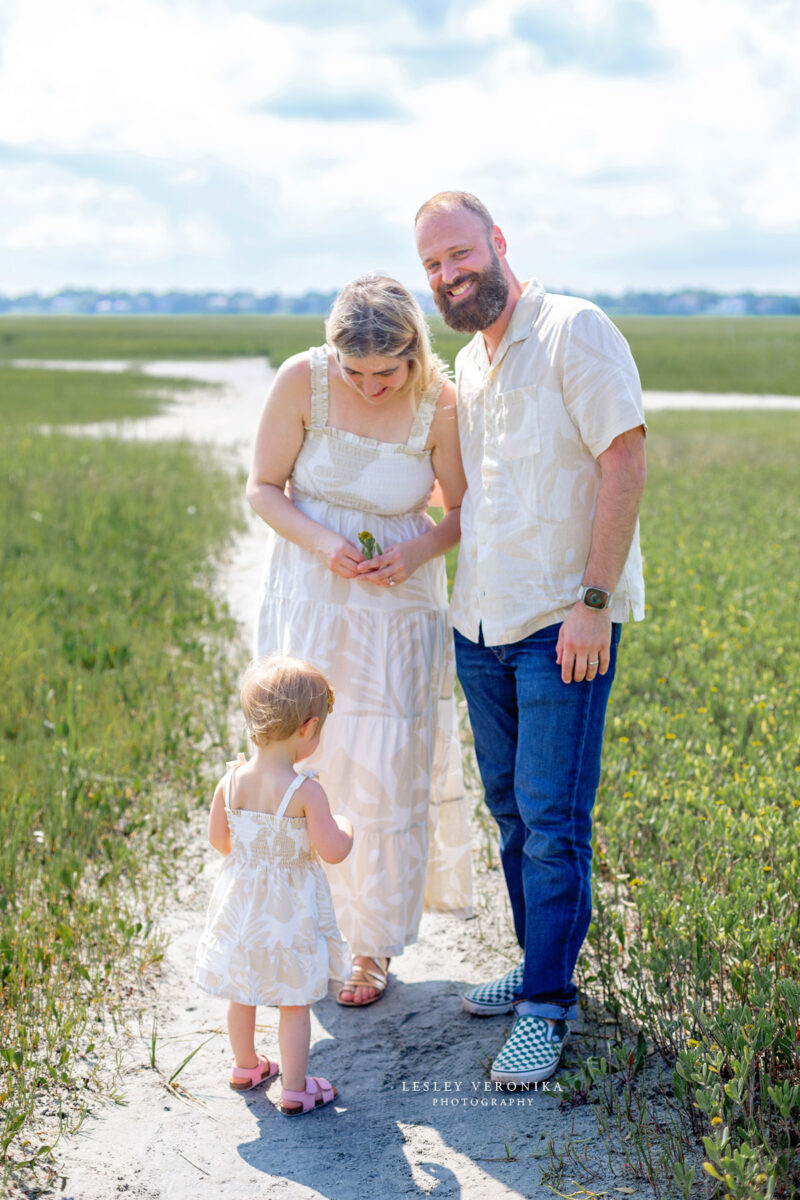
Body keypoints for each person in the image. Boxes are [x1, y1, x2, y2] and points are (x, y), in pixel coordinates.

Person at [415, 191, 647, 1084]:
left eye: (459, 254)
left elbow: (623, 457)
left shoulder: (572, 330)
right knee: (512, 813)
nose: (448, 275)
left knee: (554, 822)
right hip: (481, 623)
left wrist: (593, 600)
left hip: (562, 623)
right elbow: (465, 497)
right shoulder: (469, 365)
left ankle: (548, 1008)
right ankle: (535, 966)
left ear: (498, 243)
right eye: (433, 265)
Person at [246, 274, 473, 1007]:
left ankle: (369, 947)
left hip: (396, 608)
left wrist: (416, 552)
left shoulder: (441, 403)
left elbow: (463, 514)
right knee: (307, 752)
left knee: (382, 761)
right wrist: (321, 542)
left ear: (415, 353)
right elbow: (263, 487)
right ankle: (301, 929)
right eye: (356, 372)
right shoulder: (301, 381)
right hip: (310, 597)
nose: (372, 387)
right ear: (332, 355)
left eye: (388, 372)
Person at [194, 654, 353, 1116]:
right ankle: (296, 1088)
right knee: (293, 997)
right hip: (288, 913)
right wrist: (345, 825)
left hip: (242, 907)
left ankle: (246, 1065)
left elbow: (219, 841)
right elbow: (333, 850)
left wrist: (253, 855)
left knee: (241, 987)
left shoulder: (231, 780)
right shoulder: (306, 791)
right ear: (307, 728)